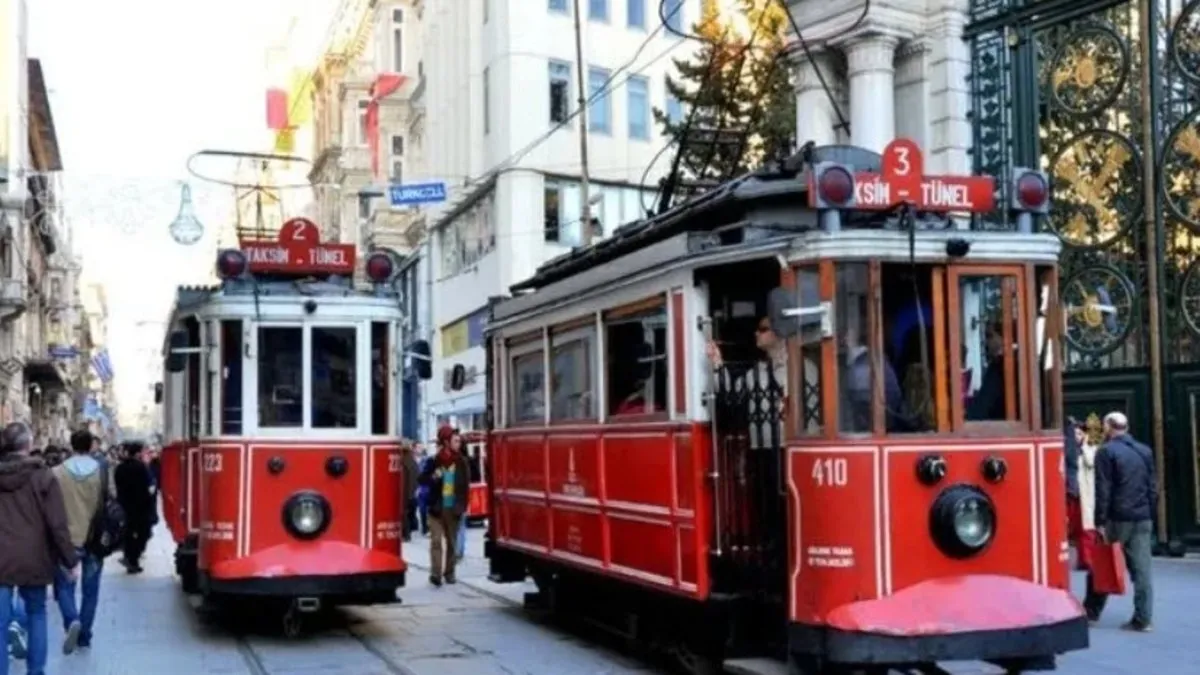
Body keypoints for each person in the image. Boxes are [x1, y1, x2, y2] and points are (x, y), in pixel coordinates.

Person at [0, 421, 79, 675]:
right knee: (36, 613)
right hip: (34, 556)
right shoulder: (44, 477)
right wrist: (70, 559)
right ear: (29, 445)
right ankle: (36, 671)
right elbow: (57, 524)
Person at [1083, 411, 1155, 632]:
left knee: (1102, 564)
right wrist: (1148, 511)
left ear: (1108, 427)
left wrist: (1100, 521)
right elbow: (1153, 487)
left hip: (1117, 517)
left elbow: (1103, 489)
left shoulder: (1106, 452)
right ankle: (1143, 618)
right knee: (1142, 571)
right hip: (1142, 516)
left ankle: (1091, 611)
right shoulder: (1145, 451)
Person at [51, 430, 109, 652]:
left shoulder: (57, 473)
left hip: (67, 539)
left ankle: (71, 620)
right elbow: (110, 498)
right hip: (95, 538)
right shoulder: (102, 470)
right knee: (91, 590)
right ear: (91, 445)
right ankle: (85, 635)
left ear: (71, 445)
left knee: (65, 586)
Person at [419, 426, 469, 586]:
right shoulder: (434, 461)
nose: (458, 444)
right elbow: (422, 479)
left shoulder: (461, 461)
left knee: (452, 543)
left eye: (459, 441)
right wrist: (434, 476)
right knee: (435, 541)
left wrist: (462, 506)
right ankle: (436, 574)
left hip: (453, 507)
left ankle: (450, 572)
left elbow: (465, 486)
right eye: (455, 441)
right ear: (446, 442)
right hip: (436, 507)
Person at [114, 441, 154, 573]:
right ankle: (133, 558)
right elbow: (148, 486)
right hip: (141, 506)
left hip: (124, 505)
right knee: (143, 533)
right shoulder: (142, 467)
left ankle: (129, 558)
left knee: (128, 533)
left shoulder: (120, 468)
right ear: (138, 453)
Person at [402, 443, 419, 542]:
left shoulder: (404, 462)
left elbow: (404, 479)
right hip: (412, 493)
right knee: (409, 514)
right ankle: (409, 532)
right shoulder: (413, 462)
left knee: (404, 514)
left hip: (406, 493)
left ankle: (406, 534)